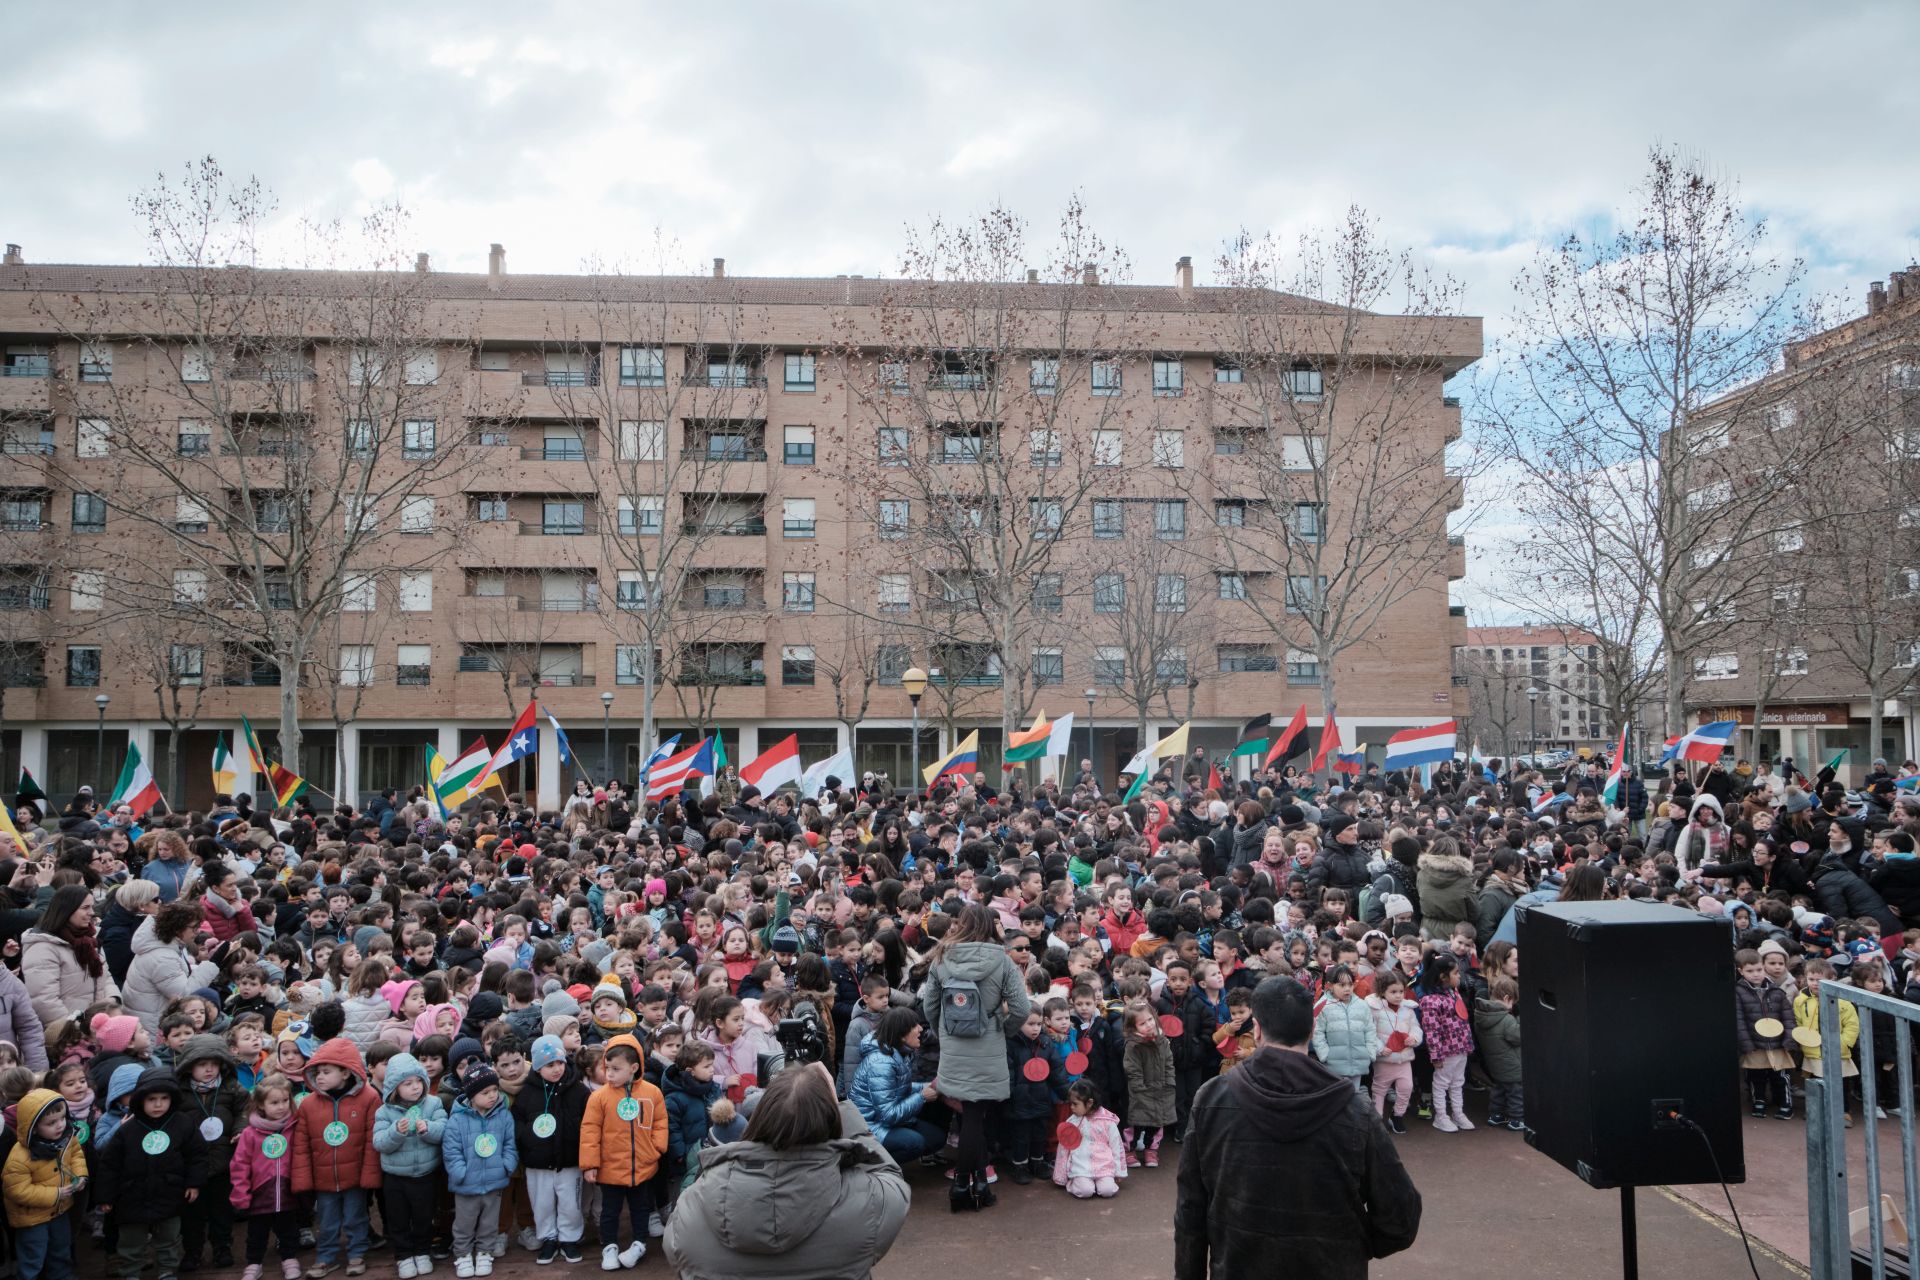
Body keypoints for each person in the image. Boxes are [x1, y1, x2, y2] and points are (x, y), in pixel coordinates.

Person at [1174, 975, 1420, 1280]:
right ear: (1313, 1029)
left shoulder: (1210, 1098)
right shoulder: (1355, 1108)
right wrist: (1349, 1246)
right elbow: (1400, 1216)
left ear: (1258, 1029)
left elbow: (1190, 1212)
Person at [664, 1063, 908, 1280]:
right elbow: (891, 1177)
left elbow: (677, 1254)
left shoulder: (694, 1204)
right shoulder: (869, 1201)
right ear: (830, 1119)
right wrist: (842, 1110)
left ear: (758, 1118)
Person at [919, 902, 1029, 1210]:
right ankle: (964, 1184)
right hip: (988, 1044)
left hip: (954, 1046)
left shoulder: (941, 958)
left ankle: (977, 1181)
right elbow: (1021, 1009)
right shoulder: (1003, 961)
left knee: (970, 1115)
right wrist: (1001, 1029)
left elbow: (930, 1007)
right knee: (976, 1116)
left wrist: (944, 1033)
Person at [93, 1066, 211, 1280]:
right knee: (131, 1239)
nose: (158, 1104)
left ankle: (167, 1270)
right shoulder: (128, 1129)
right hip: (132, 1196)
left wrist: (193, 1183)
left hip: (170, 1192)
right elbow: (110, 1165)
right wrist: (106, 1196)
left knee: (169, 1236)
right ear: (140, 1100)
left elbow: (197, 1155)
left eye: (164, 1098)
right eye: (151, 1099)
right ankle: (130, 1272)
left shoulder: (183, 1124)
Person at [290, 1038, 383, 1277]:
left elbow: (372, 1141)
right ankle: (325, 1257)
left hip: (354, 1176)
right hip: (323, 1178)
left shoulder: (368, 1098)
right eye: (317, 1072)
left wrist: (369, 1175)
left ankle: (356, 1253)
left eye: (326, 1071)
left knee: (356, 1217)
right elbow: (300, 1145)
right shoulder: (308, 1104)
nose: (319, 1076)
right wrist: (302, 1178)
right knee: (327, 1221)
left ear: (345, 1073)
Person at [578, 1036, 666, 1271]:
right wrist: (590, 1164)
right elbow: (589, 1131)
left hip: (642, 1167)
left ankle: (639, 1244)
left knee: (641, 1209)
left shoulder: (653, 1093)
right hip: (610, 1169)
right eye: (607, 1068)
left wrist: (656, 1149)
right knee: (610, 1211)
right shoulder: (599, 1097)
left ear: (634, 1068)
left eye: (616, 1069)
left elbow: (660, 1122)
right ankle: (609, 1247)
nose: (609, 1074)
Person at [371, 1052, 447, 1280]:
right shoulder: (384, 1112)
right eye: (408, 1083)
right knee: (398, 1218)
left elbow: (444, 1129)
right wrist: (395, 1132)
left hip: (425, 1173)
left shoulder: (433, 1103)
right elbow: (379, 1142)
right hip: (396, 1177)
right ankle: (403, 1255)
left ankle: (422, 1251)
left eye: (418, 1081)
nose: (415, 1087)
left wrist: (428, 1129)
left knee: (424, 1216)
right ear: (395, 1087)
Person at [2, 1087, 87, 1280]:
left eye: (62, 1118)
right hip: (31, 1218)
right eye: (51, 1123)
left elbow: (76, 1155)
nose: (59, 1125)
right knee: (33, 1257)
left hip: (60, 1210)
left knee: (60, 1250)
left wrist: (80, 1175)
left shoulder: (66, 1138)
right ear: (32, 1126)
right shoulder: (20, 1157)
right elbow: (17, 1191)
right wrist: (55, 1194)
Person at [442, 1064, 517, 1279]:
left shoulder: (503, 1116)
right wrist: (460, 1173)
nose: (492, 1096)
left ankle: (485, 1251)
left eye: (495, 1090)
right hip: (466, 1184)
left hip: (494, 1181)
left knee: (489, 1222)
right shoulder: (457, 1119)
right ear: (472, 1095)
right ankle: (463, 1254)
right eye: (485, 1093)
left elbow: (509, 1145)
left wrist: (506, 1166)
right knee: (464, 1223)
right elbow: (451, 1150)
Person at [228, 1074, 302, 1280]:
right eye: (274, 1102)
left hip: (287, 1191)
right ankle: (254, 1263)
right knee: (256, 1233)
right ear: (261, 1105)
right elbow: (239, 1165)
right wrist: (240, 1194)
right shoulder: (250, 1134)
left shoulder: (295, 1127)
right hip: (260, 1193)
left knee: (289, 1230)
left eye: (285, 1101)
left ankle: (289, 1259)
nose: (281, 1107)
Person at [848, 1007, 944, 1162]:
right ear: (902, 1034)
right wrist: (922, 1097)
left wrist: (929, 1086)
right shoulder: (881, 1063)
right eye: (915, 1026)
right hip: (869, 1125)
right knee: (914, 1143)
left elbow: (898, 1088)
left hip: (885, 1120)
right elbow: (887, 1115)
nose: (920, 1029)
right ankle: (872, 1167)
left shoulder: (897, 1051)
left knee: (936, 1138)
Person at [21, 885, 120, 1030]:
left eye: (92, 907)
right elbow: (44, 1001)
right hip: (66, 1037)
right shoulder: (43, 947)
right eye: (85, 907)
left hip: (96, 1029)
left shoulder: (89, 940)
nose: (92, 912)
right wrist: (75, 1029)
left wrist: (112, 1000)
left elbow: (105, 975)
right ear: (66, 910)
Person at [1051, 1078, 1127, 1199]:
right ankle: (1075, 1182)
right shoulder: (1071, 1122)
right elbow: (1063, 1149)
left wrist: (1118, 1171)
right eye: (1070, 1103)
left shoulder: (1107, 1122)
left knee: (1108, 1191)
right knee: (1085, 1191)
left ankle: (1100, 1183)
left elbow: (1116, 1146)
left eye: (1075, 1104)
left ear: (1089, 1103)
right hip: (1080, 1167)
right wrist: (1061, 1177)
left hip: (1104, 1166)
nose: (1071, 1107)